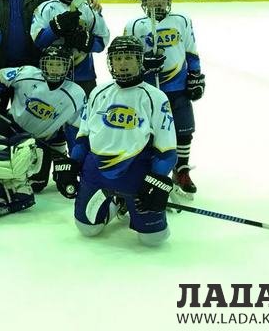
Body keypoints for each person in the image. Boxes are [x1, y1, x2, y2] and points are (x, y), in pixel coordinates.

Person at [52, 36, 176, 247]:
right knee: (87, 229)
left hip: (136, 174)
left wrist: (157, 180)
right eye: (118, 58)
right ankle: (116, 204)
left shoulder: (155, 97)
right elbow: (83, 136)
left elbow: (166, 149)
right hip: (96, 172)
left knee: (153, 239)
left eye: (129, 58)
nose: (123, 63)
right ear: (110, 61)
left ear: (139, 60)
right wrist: (72, 164)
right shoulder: (98, 92)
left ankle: (126, 201)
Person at [123, 0, 204, 197]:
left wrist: (195, 76)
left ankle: (181, 170)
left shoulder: (181, 20)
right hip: (149, 91)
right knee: (149, 133)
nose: (157, 1)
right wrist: (144, 63)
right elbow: (126, 57)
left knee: (184, 130)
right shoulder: (134, 25)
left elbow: (191, 50)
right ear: (143, 0)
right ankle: (150, 171)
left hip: (178, 87)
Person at [0, 45, 86, 193]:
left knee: (36, 185)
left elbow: (77, 131)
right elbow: (1, 76)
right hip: (11, 128)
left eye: (59, 64)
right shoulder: (27, 73)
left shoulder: (76, 94)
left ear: (67, 66)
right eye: (50, 64)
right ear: (43, 64)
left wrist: (72, 161)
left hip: (38, 142)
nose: (54, 69)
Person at [31, 0, 109, 97]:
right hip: (51, 73)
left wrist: (86, 41)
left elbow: (101, 42)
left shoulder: (90, 9)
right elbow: (39, 41)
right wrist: (56, 27)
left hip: (84, 74)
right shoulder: (46, 8)